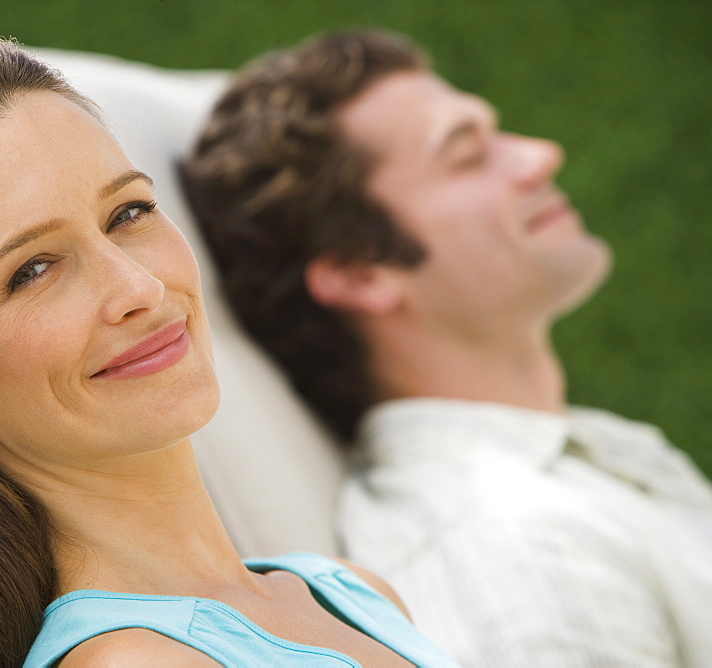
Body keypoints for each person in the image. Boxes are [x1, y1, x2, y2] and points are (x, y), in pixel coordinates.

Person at [0, 37, 461, 668]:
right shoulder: (133, 662)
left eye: (128, 214)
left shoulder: (345, 592)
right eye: (32, 270)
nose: (137, 287)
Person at [182, 30, 712, 667]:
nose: (540, 155)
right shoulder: (514, 554)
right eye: (468, 156)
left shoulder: (578, 468)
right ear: (361, 272)